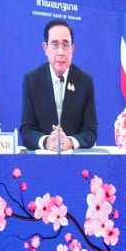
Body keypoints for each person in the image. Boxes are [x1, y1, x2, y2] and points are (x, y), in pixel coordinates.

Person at [20, 18, 98, 151]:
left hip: (75, 159)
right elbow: (27, 130)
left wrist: (70, 142)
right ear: (45, 48)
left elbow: (90, 132)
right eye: (55, 44)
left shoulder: (85, 81)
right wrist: (46, 142)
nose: (60, 52)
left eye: (65, 45)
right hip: (43, 160)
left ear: (72, 49)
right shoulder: (32, 80)